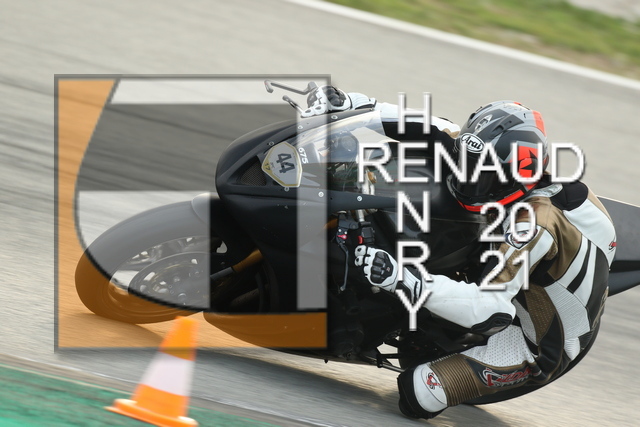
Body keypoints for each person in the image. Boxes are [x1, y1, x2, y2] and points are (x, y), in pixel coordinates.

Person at [303, 86, 617, 419]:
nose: (469, 179)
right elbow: (434, 127)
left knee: (418, 393)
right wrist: (351, 103)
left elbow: (490, 308)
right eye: (468, 163)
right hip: (533, 264)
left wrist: (399, 277)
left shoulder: (533, 224)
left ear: (515, 175)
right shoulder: (498, 162)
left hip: (535, 343)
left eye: (482, 174)